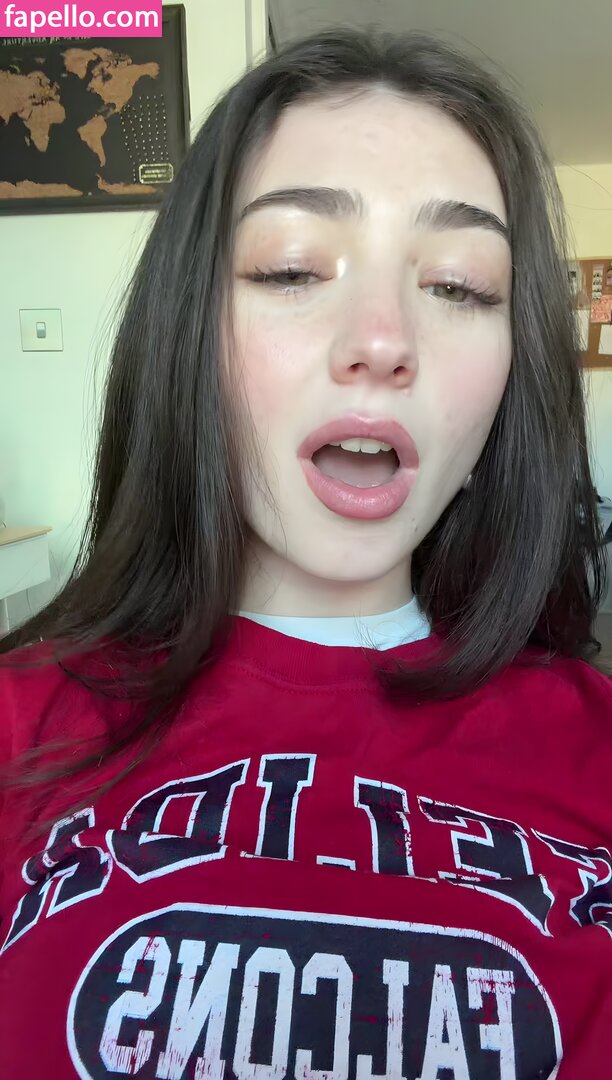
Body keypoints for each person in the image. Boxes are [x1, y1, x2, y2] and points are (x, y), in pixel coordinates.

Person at [0, 26, 610, 1079]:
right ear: (189, 335)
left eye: (459, 285)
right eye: (290, 267)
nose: (382, 339)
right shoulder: (20, 726)